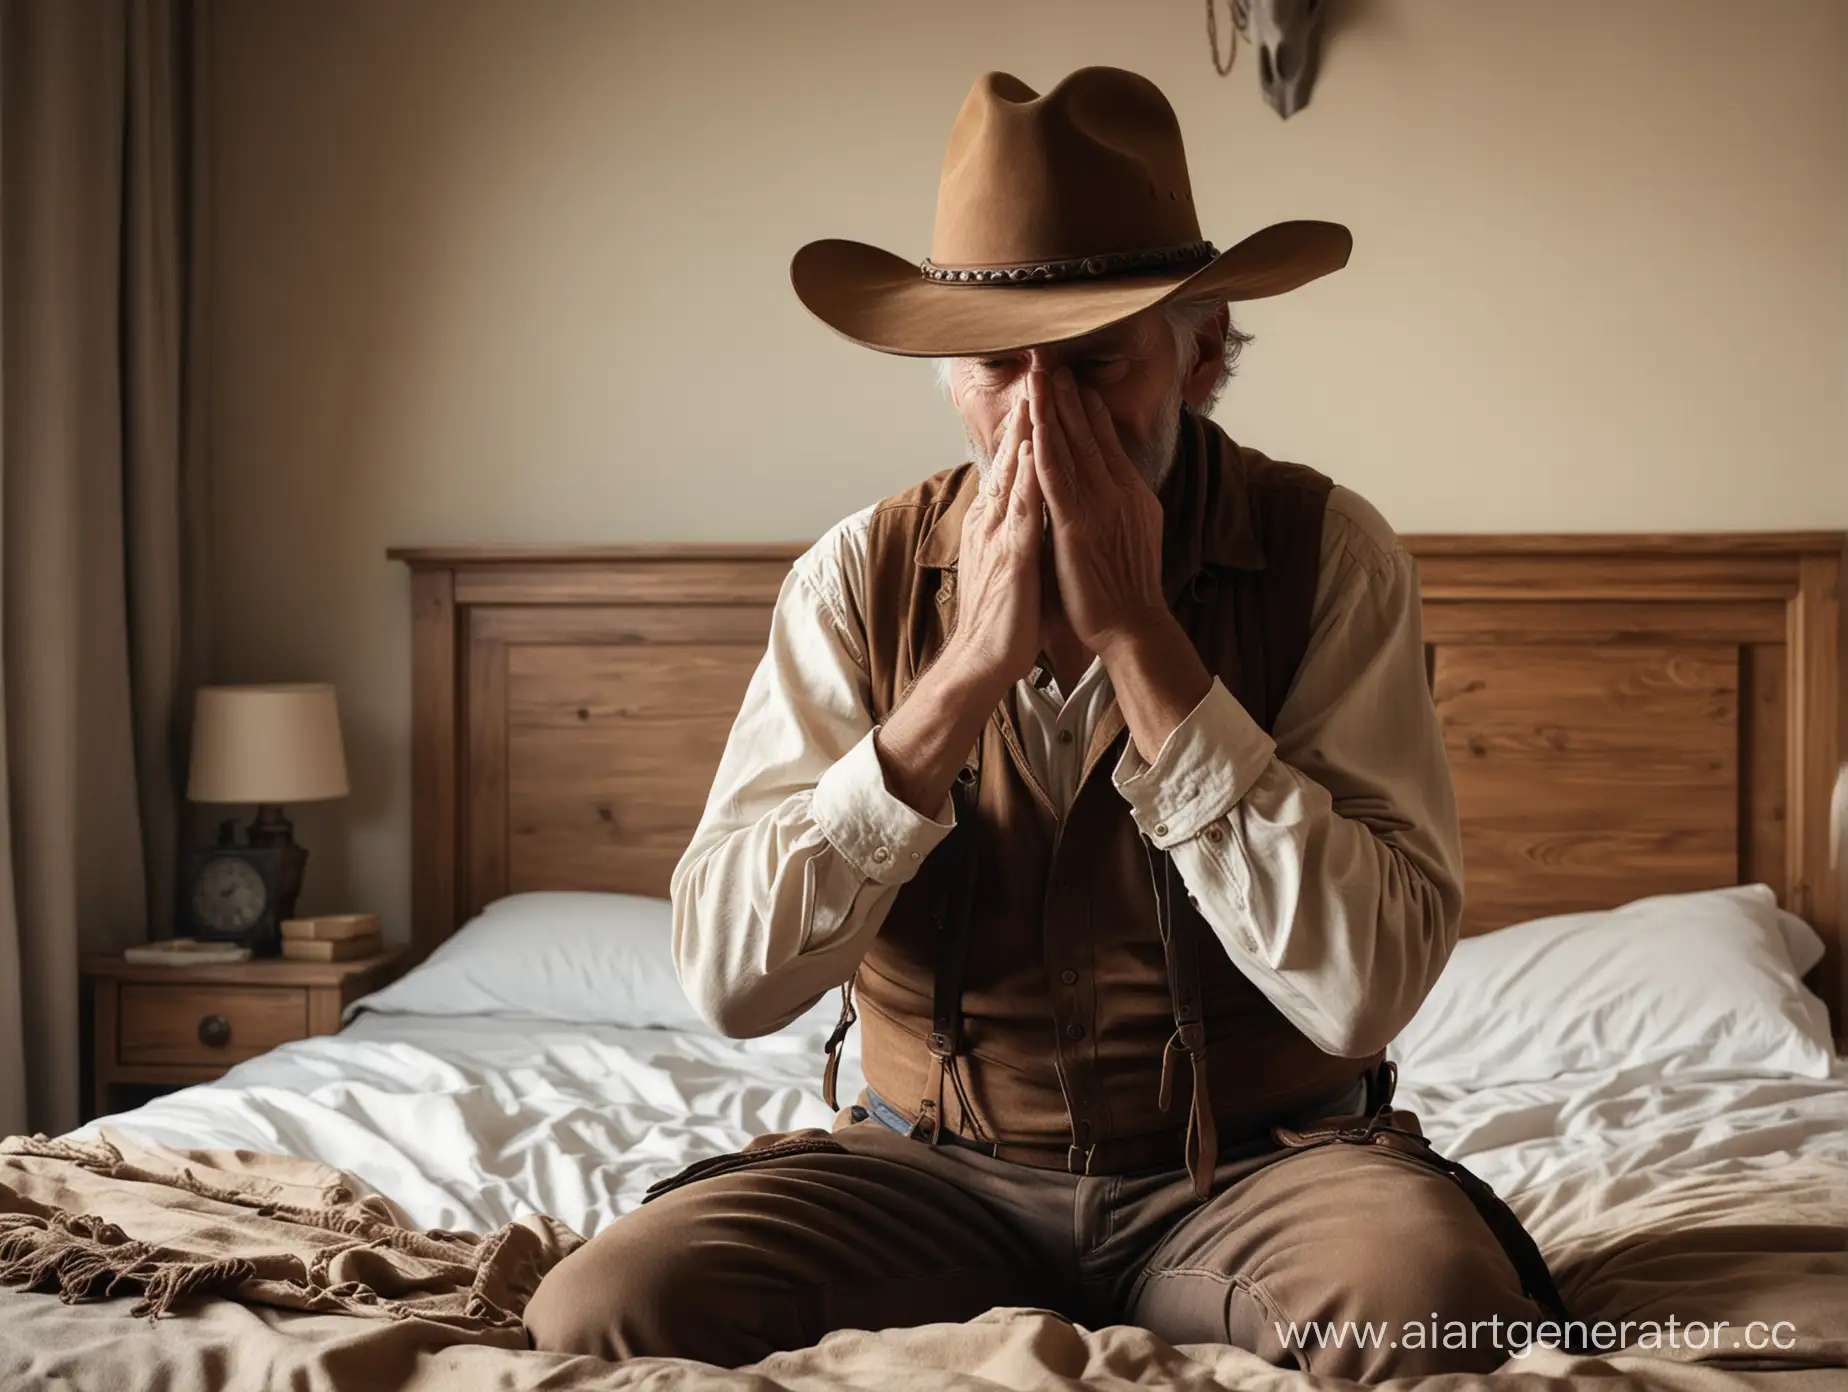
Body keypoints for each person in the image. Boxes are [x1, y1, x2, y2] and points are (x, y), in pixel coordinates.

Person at [527, 66, 1561, 1381]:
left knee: (1433, 1313)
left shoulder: (1330, 555)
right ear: (944, 372)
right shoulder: (857, 574)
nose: (1042, 418)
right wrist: (960, 679)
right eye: (998, 370)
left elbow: (1363, 991)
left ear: (1200, 349)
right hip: (931, 1174)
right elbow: (733, 981)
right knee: (601, 1314)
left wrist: (1145, 642)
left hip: (1254, 1178)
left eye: (1093, 365)